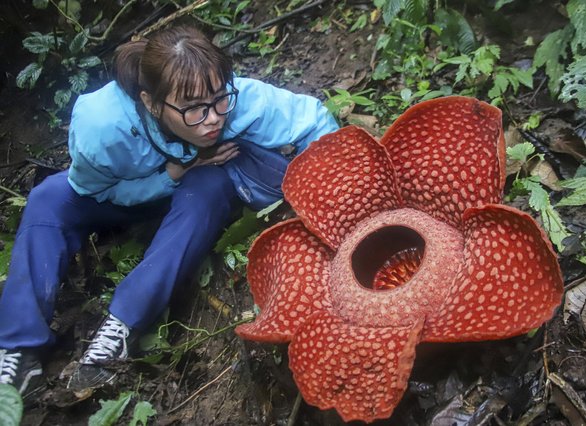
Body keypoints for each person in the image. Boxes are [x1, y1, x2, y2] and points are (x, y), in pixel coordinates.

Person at [0, 25, 338, 395]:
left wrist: (341, 196)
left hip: (192, 195)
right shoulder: (102, 127)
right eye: (193, 109)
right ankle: (18, 345)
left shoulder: (235, 102)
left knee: (208, 188)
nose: (212, 119)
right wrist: (172, 173)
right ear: (151, 102)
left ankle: (123, 325)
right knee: (48, 198)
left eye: (218, 99)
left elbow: (316, 123)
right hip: (120, 195)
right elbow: (91, 188)